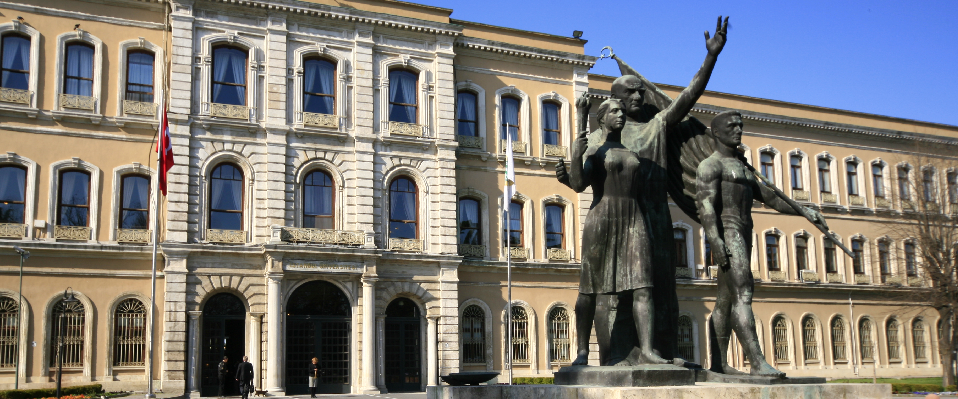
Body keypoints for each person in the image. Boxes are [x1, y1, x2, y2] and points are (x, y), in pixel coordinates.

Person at [558, 17, 729, 365]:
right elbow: (582, 177)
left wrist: (710, 58)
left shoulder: (656, 127)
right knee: (611, 295)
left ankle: (662, 352)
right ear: (613, 102)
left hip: (653, 216)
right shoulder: (596, 139)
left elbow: (686, 99)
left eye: (640, 91)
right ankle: (617, 355)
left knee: (661, 290)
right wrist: (568, 172)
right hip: (612, 217)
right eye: (630, 92)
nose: (639, 96)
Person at [695, 110, 826, 376]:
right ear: (717, 133)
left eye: (740, 125)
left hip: (745, 231)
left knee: (724, 300)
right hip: (729, 230)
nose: (738, 130)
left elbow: (771, 198)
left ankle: (719, 363)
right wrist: (715, 239)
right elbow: (706, 205)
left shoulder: (743, 167)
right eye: (732, 126)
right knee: (743, 293)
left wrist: (804, 211)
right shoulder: (711, 165)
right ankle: (757, 362)